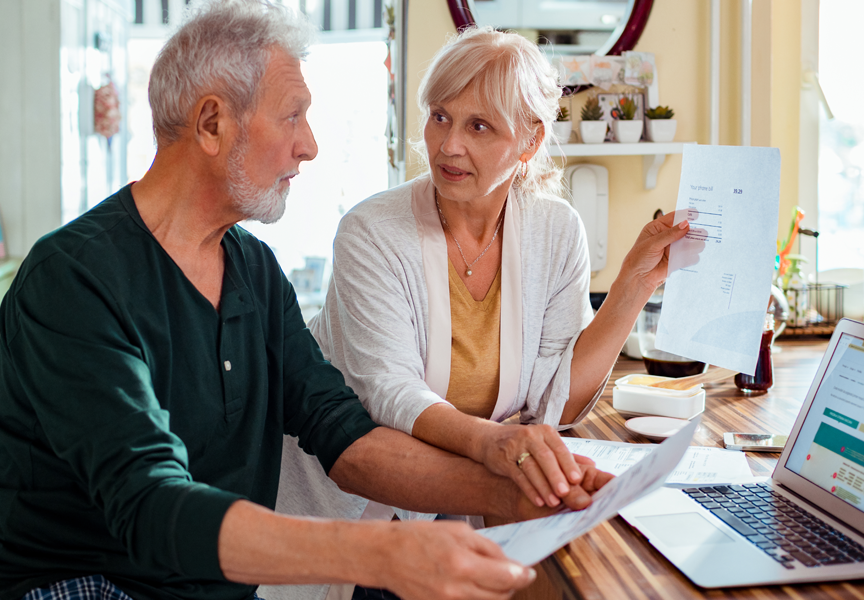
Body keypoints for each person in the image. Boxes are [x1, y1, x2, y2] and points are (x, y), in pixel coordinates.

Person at [0, 4, 614, 600]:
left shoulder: (252, 271)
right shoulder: (75, 279)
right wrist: (382, 553)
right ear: (212, 123)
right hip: (72, 583)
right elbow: (150, 506)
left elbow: (343, 435)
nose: (310, 145)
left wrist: (521, 490)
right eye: (292, 115)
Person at [271, 26, 701, 600]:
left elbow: (558, 398)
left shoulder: (555, 231)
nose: (448, 145)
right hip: (357, 514)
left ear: (529, 141)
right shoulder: (371, 231)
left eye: (479, 126)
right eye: (441, 116)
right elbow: (390, 394)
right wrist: (492, 445)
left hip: (460, 509)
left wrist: (633, 284)